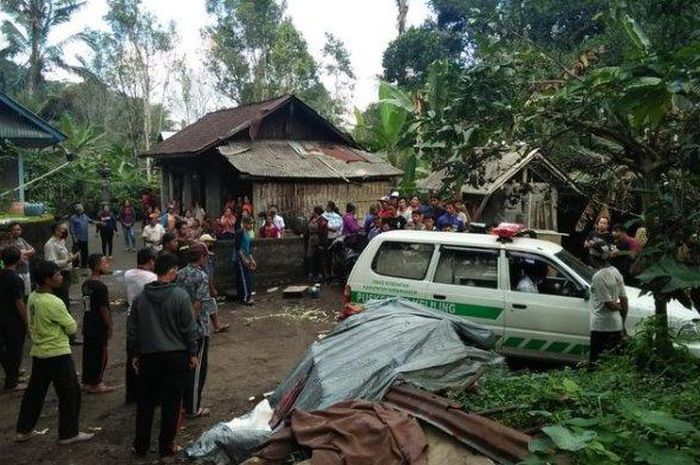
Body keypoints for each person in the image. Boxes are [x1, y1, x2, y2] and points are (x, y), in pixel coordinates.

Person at [15, 260, 94, 445]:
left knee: (35, 391)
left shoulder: (34, 297)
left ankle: (23, 429)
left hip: (40, 350)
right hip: (57, 351)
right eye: (57, 275)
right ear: (48, 280)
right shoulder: (53, 301)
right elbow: (71, 326)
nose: (60, 277)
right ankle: (68, 433)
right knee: (70, 393)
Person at [128, 253, 198, 458]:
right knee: (172, 403)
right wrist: (192, 352)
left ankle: (140, 445)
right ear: (172, 271)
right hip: (175, 356)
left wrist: (135, 353)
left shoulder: (141, 297)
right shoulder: (180, 296)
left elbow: (133, 328)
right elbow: (189, 328)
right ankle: (166, 445)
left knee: (146, 403)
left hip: (149, 356)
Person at [176, 243, 212, 418]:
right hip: (197, 327)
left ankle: (184, 403)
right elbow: (198, 304)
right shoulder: (201, 277)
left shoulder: (179, 274)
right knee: (197, 369)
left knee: (185, 366)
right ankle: (192, 407)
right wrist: (191, 325)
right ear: (201, 258)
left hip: (180, 325)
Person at [123, 248, 157, 404]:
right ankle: (150, 393)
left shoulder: (128, 274)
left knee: (132, 354)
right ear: (150, 261)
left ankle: (132, 394)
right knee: (149, 354)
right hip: (147, 316)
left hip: (132, 315)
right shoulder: (152, 277)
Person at [588, 240, 628, 364]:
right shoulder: (615, 271)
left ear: (594, 258)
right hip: (616, 324)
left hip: (600, 325)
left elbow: (609, 304)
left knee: (595, 362)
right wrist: (623, 323)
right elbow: (624, 299)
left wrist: (619, 307)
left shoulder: (598, 277)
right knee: (613, 363)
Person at [81, 254, 114, 394]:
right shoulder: (100, 286)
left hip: (88, 322)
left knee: (89, 353)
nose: (107, 265)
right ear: (96, 266)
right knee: (101, 354)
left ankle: (88, 381)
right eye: (104, 263)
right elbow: (103, 308)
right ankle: (96, 382)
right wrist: (110, 325)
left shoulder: (86, 284)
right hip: (98, 324)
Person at [44, 223, 80, 346]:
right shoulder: (50, 245)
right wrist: (68, 260)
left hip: (66, 274)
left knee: (65, 302)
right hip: (60, 276)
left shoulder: (61, 242)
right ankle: (70, 336)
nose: (64, 231)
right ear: (55, 230)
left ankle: (68, 334)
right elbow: (51, 263)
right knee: (63, 304)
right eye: (62, 230)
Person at [0, 246, 29, 391]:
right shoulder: (16, 280)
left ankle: (13, 374)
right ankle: (12, 381)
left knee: (6, 349)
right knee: (15, 350)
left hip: (3, 317)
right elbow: (19, 303)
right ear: (18, 259)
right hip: (13, 319)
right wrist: (27, 321)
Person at [199, 234, 229, 333]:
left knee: (211, 305)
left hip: (204, 285)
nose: (211, 243)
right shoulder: (203, 257)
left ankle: (216, 325)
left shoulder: (206, 255)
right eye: (209, 242)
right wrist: (211, 288)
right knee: (208, 305)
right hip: (204, 286)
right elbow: (207, 275)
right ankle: (214, 326)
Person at [8, 222, 36, 297]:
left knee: (27, 293)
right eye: (14, 230)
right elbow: (16, 259)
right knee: (19, 295)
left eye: (18, 229)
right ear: (10, 231)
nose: (16, 231)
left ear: (21, 230)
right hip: (16, 273)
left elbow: (33, 250)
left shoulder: (22, 240)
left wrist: (23, 253)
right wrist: (23, 254)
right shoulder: (9, 243)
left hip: (26, 271)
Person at [235, 216, 256, 305]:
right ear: (245, 223)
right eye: (250, 223)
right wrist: (243, 259)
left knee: (247, 278)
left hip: (246, 256)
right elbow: (238, 247)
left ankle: (245, 296)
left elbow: (249, 248)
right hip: (240, 258)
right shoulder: (240, 232)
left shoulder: (248, 234)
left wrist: (252, 259)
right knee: (243, 279)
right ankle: (245, 298)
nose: (251, 225)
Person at [306, 207, 329, 281]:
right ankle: (312, 273)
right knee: (311, 257)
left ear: (316, 212)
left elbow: (324, 234)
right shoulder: (313, 219)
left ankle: (320, 275)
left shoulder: (322, 221)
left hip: (318, 241)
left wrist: (322, 244)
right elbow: (307, 229)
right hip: (311, 240)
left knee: (320, 258)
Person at [69, 204, 93, 269]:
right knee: (76, 251)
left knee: (85, 251)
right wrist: (74, 237)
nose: (79, 210)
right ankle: (76, 265)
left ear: (83, 210)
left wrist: (99, 222)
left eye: (81, 209)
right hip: (77, 237)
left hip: (85, 237)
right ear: (76, 210)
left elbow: (91, 221)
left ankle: (84, 264)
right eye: (78, 209)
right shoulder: (73, 218)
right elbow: (71, 228)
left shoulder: (85, 216)